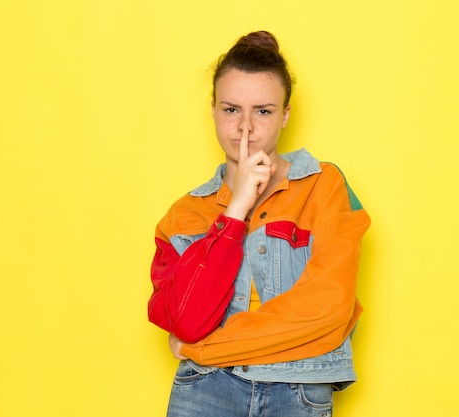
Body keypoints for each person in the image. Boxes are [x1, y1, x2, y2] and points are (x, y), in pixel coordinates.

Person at [148, 30, 371, 417]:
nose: (246, 127)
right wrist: (236, 210)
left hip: (297, 390)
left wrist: (205, 348)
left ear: (285, 116)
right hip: (204, 391)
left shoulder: (324, 185)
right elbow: (187, 318)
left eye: (263, 111)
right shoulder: (184, 214)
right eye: (232, 109)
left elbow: (326, 311)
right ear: (213, 111)